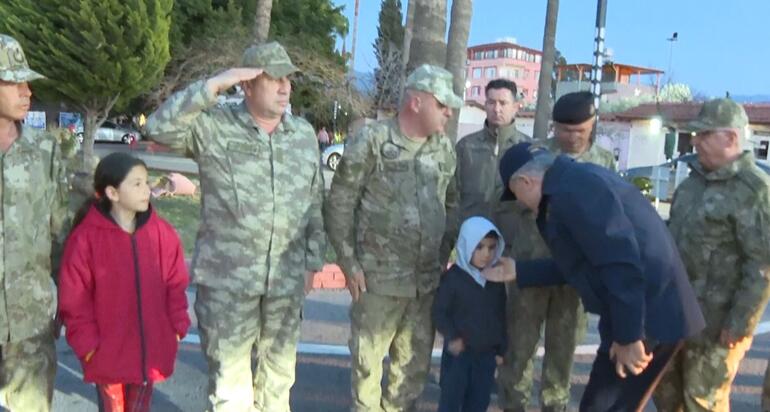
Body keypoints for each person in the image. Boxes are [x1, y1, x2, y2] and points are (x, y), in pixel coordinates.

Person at [145, 41, 326, 411]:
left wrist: (312, 260)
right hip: (228, 283)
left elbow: (313, 201)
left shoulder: (304, 135)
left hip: (285, 281)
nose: (284, 87)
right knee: (231, 390)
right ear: (246, 85)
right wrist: (215, 84)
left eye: (288, 78)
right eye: (273, 78)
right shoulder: (214, 128)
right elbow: (160, 128)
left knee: (278, 384)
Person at [486, 142, 705, 411]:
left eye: (515, 194)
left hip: (646, 315)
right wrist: (520, 270)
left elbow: (620, 263)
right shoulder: (575, 182)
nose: (519, 202)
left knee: (604, 405)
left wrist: (628, 336)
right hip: (641, 310)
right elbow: (587, 262)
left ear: (525, 181)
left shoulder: (574, 192)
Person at [324, 64, 461, 412]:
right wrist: (348, 262)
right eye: (443, 104)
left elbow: (452, 204)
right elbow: (340, 202)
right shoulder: (372, 140)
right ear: (416, 101)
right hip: (377, 280)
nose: (449, 111)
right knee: (367, 370)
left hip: (425, 282)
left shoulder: (444, 148)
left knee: (412, 372)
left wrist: (443, 254)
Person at [499, 91, 616, 412]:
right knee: (518, 351)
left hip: (573, 278)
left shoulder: (603, 162)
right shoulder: (532, 156)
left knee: (561, 356)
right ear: (554, 126)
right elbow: (509, 208)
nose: (571, 138)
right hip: (529, 267)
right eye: (564, 130)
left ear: (592, 125)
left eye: (579, 131)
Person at [654, 98, 770, 411]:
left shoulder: (755, 191)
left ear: (731, 138)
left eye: (704, 135)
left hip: (718, 325)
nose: (696, 142)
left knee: (702, 401)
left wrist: (740, 323)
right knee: (666, 397)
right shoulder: (692, 184)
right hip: (675, 315)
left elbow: (762, 268)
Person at [58, 153, 190, 412]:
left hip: (150, 350)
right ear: (113, 193)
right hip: (106, 353)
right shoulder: (86, 239)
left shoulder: (162, 233)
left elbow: (175, 284)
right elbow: (74, 299)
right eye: (137, 184)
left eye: (146, 182)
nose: (146, 190)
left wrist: (177, 326)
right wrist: (88, 346)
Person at [0, 34, 74, 411]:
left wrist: (66, 298)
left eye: (26, 82)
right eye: (13, 81)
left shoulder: (44, 150)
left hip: (30, 318)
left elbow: (59, 229)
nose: (26, 91)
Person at [432, 216, 507, 412]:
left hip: (486, 357)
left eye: (491, 248)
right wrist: (452, 336)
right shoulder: (453, 279)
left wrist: (501, 349)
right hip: (459, 357)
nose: (486, 254)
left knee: (478, 403)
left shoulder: (495, 279)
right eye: (479, 247)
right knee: (450, 403)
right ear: (466, 245)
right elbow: (440, 312)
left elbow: (501, 315)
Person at [455, 78, 530, 222]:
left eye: (503, 103)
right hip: (473, 237)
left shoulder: (527, 149)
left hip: (512, 239)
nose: (496, 109)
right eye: (491, 102)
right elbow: (453, 195)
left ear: (515, 107)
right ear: (485, 105)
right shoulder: (466, 147)